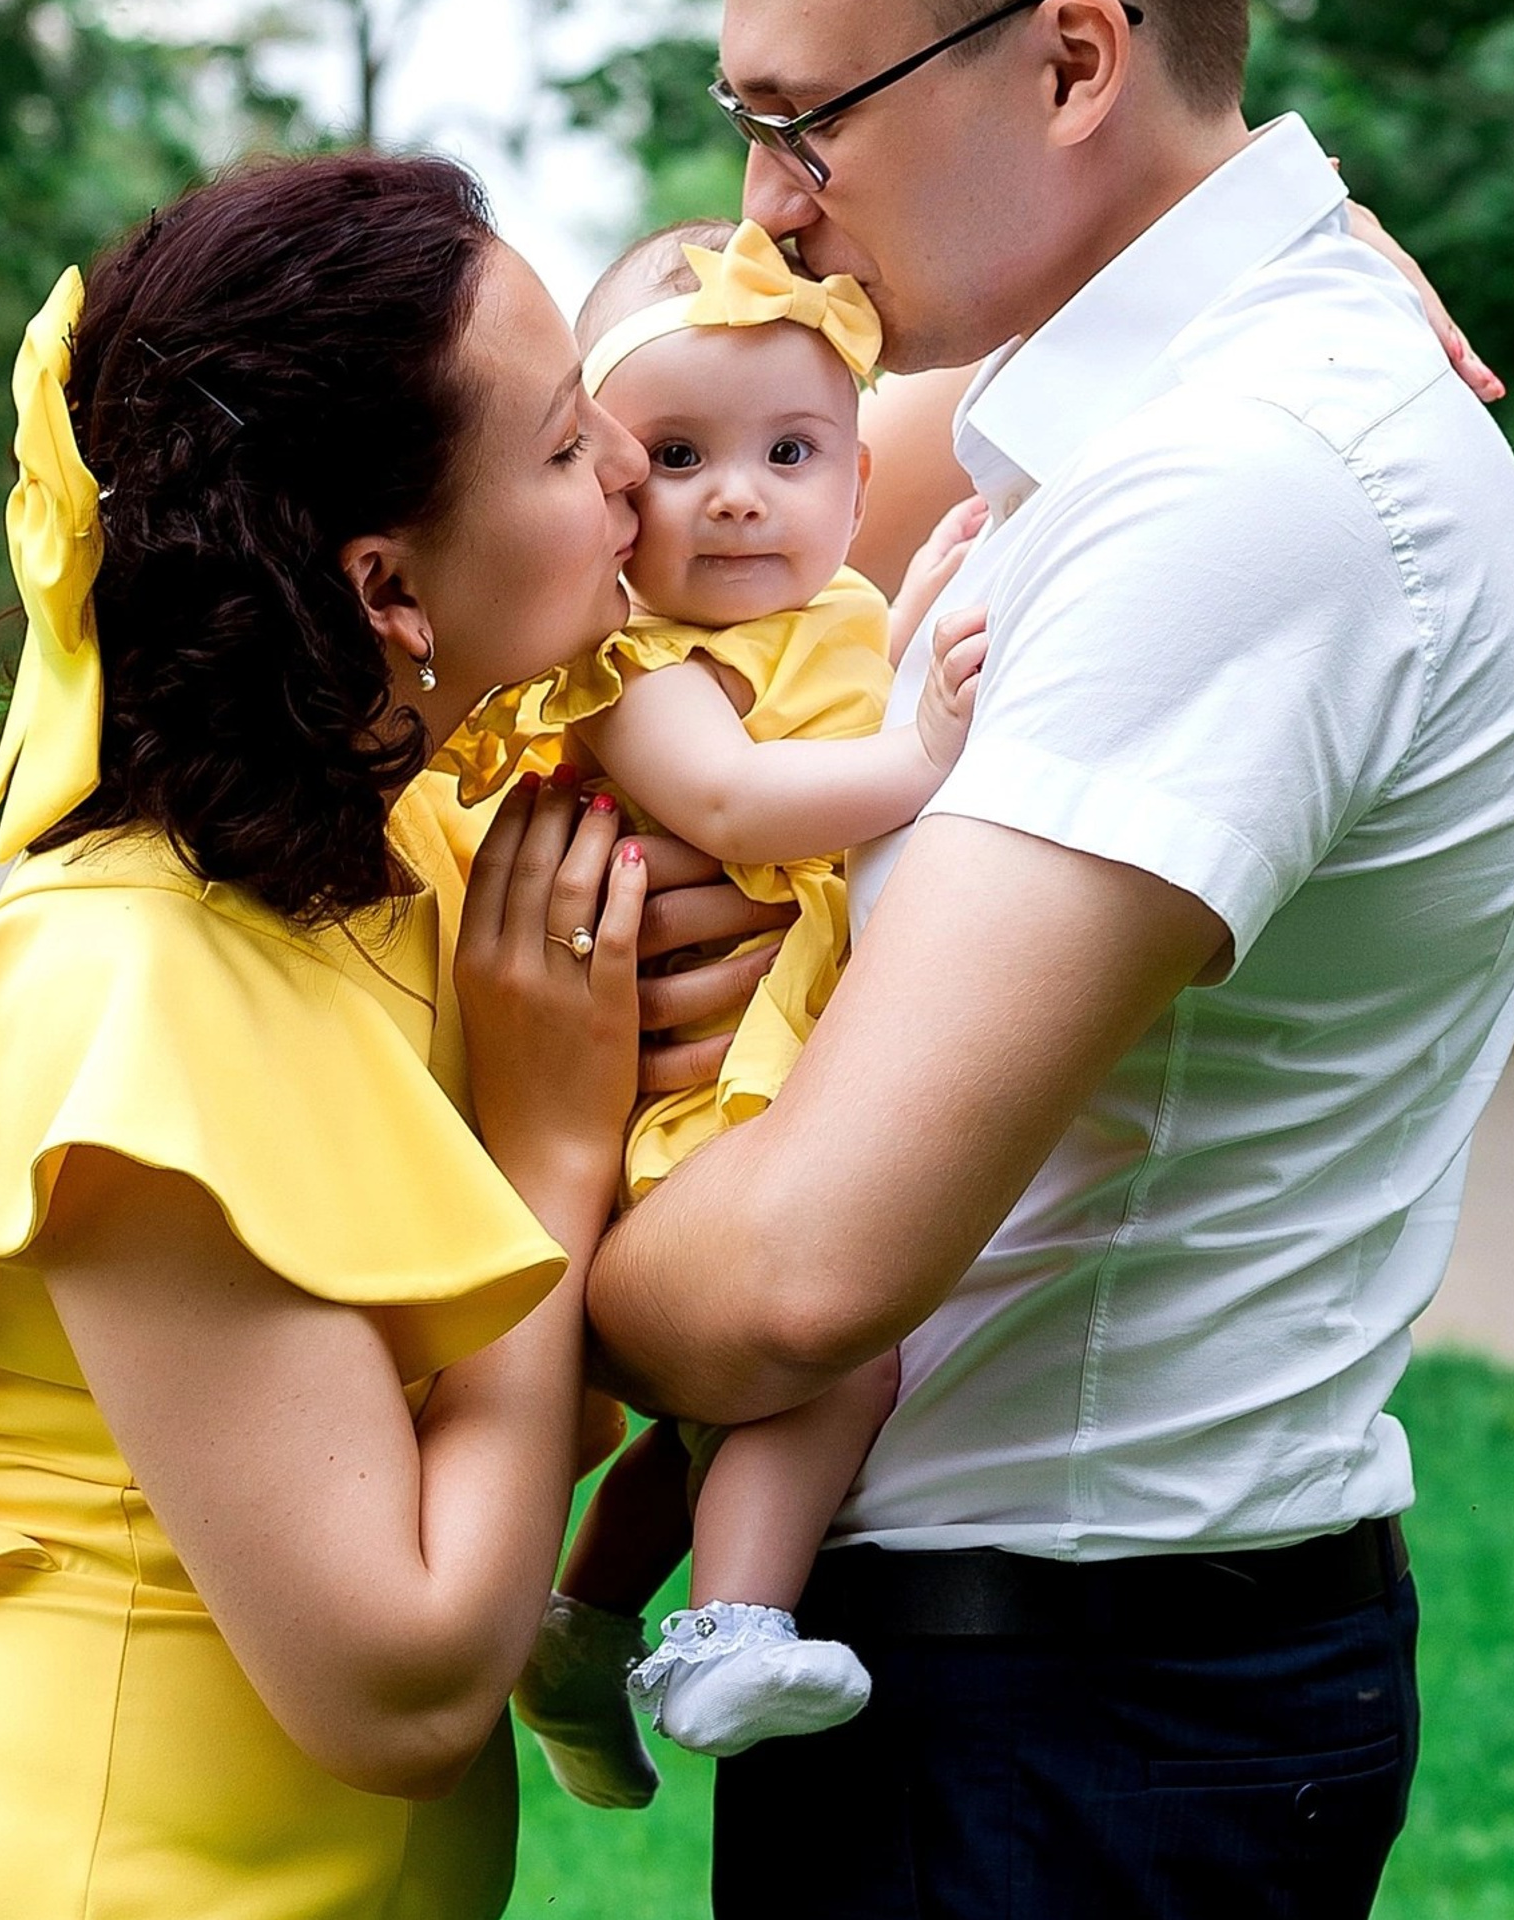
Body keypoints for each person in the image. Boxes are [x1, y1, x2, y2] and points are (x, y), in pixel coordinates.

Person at [583, 3, 1514, 1917]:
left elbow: (798, 1281)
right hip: (1035, 1681)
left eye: (806, 126)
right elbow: (570, 494)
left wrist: (525, 1158)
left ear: (1069, 63)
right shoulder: (1100, 398)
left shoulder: (1243, 476)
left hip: (1076, 1712)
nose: (764, 211)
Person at [0, 151, 773, 1920]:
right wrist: (548, 1147)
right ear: (390, 591)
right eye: (562, 447)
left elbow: (839, 471)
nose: (635, 465)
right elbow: (397, 1684)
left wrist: (1263, 279)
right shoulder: (139, 995)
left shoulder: (419, 860)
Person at [439, 215, 987, 1796]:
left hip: (770, 1060)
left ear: (861, 486)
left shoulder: (836, 618)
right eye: (678, 455)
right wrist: (930, 758)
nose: (739, 491)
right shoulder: (640, 669)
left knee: (701, 1438)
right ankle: (734, 1627)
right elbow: (743, 808)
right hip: (687, 1093)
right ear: (613, 494)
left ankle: (587, 1619)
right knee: (842, 1360)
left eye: (791, 451)